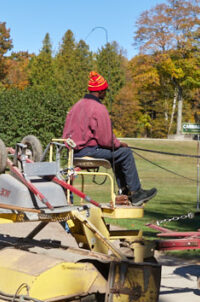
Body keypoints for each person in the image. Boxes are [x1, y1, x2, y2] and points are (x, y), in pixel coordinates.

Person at [62, 71, 157, 206]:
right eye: (105, 91)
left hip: (73, 153)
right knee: (125, 153)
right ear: (100, 92)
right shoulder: (98, 108)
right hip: (87, 152)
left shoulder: (76, 106)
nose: (106, 94)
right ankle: (136, 193)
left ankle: (124, 192)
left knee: (117, 156)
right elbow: (106, 140)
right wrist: (119, 144)